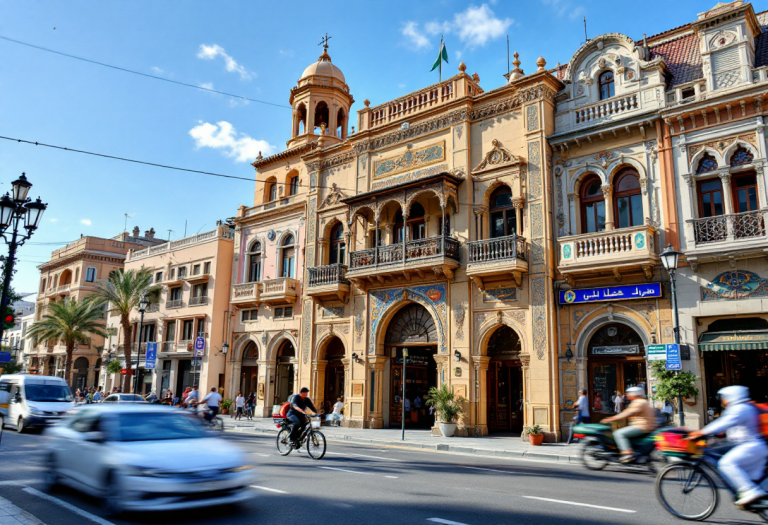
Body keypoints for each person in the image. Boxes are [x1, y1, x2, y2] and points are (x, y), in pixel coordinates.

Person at [689, 386, 768, 507]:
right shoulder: (741, 407)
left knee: (726, 463)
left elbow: (724, 423)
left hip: (750, 446)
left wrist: (701, 432)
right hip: (749, 446)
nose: (722, 400)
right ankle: (753, 499)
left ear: (732, 396)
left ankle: (750, 492)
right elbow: (729, 426)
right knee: (750, 477)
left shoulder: (740, 408)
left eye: (724, 397)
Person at [602, 386, 657, 463]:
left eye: (629, 393)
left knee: (618, 433)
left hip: (642, 427)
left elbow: (628, 413)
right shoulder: (644, 402)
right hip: (646, 426)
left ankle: (627, 453)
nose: (627, 395)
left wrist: (612, 418)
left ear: (635, 394)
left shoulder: (639, 402)